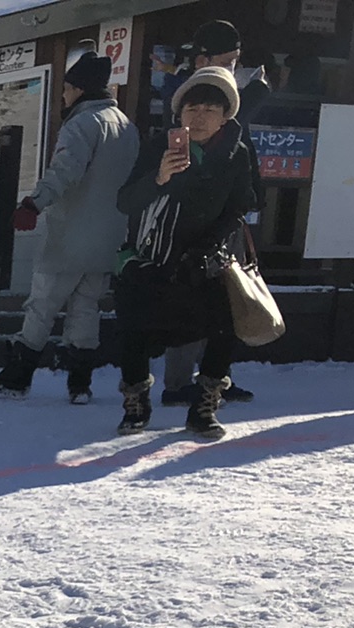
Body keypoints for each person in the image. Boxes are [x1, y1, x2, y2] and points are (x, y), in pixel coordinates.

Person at [0, 52, 138, 403]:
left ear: (79, 89)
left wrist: (33, 202)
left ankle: (18, 377)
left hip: (69, 236)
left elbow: (65, 170)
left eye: (66, 89)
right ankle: (80, 384)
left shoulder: (81, 124)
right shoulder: (127, 127)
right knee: (86, 309)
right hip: (108, 238)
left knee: (42, 306)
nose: (64, 96)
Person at [112, 67, 256, 442]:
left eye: (211, 109)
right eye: (192, 108)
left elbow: (239, 207)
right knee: (134, 331)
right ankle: (136, 403)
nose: (200, 116)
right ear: (179, 114)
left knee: (224, 328)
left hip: (204, 260)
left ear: (227, 116)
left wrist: (208, 249)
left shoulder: (237, 154)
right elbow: (125, 202)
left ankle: (205, 405)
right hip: (150, 258)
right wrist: (158, 178)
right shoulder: (159, 146)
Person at [160, 19, 269, 405]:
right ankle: (177, 383)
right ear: (202, 58)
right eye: (228, 60)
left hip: (227, 211)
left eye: (237, 61)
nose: (234, 69)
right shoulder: (182, 91)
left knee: (228, 294)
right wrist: (253, 98)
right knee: (190, 296)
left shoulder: (232, 91)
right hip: (191, 216)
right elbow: (224, 135)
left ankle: (215, 375)